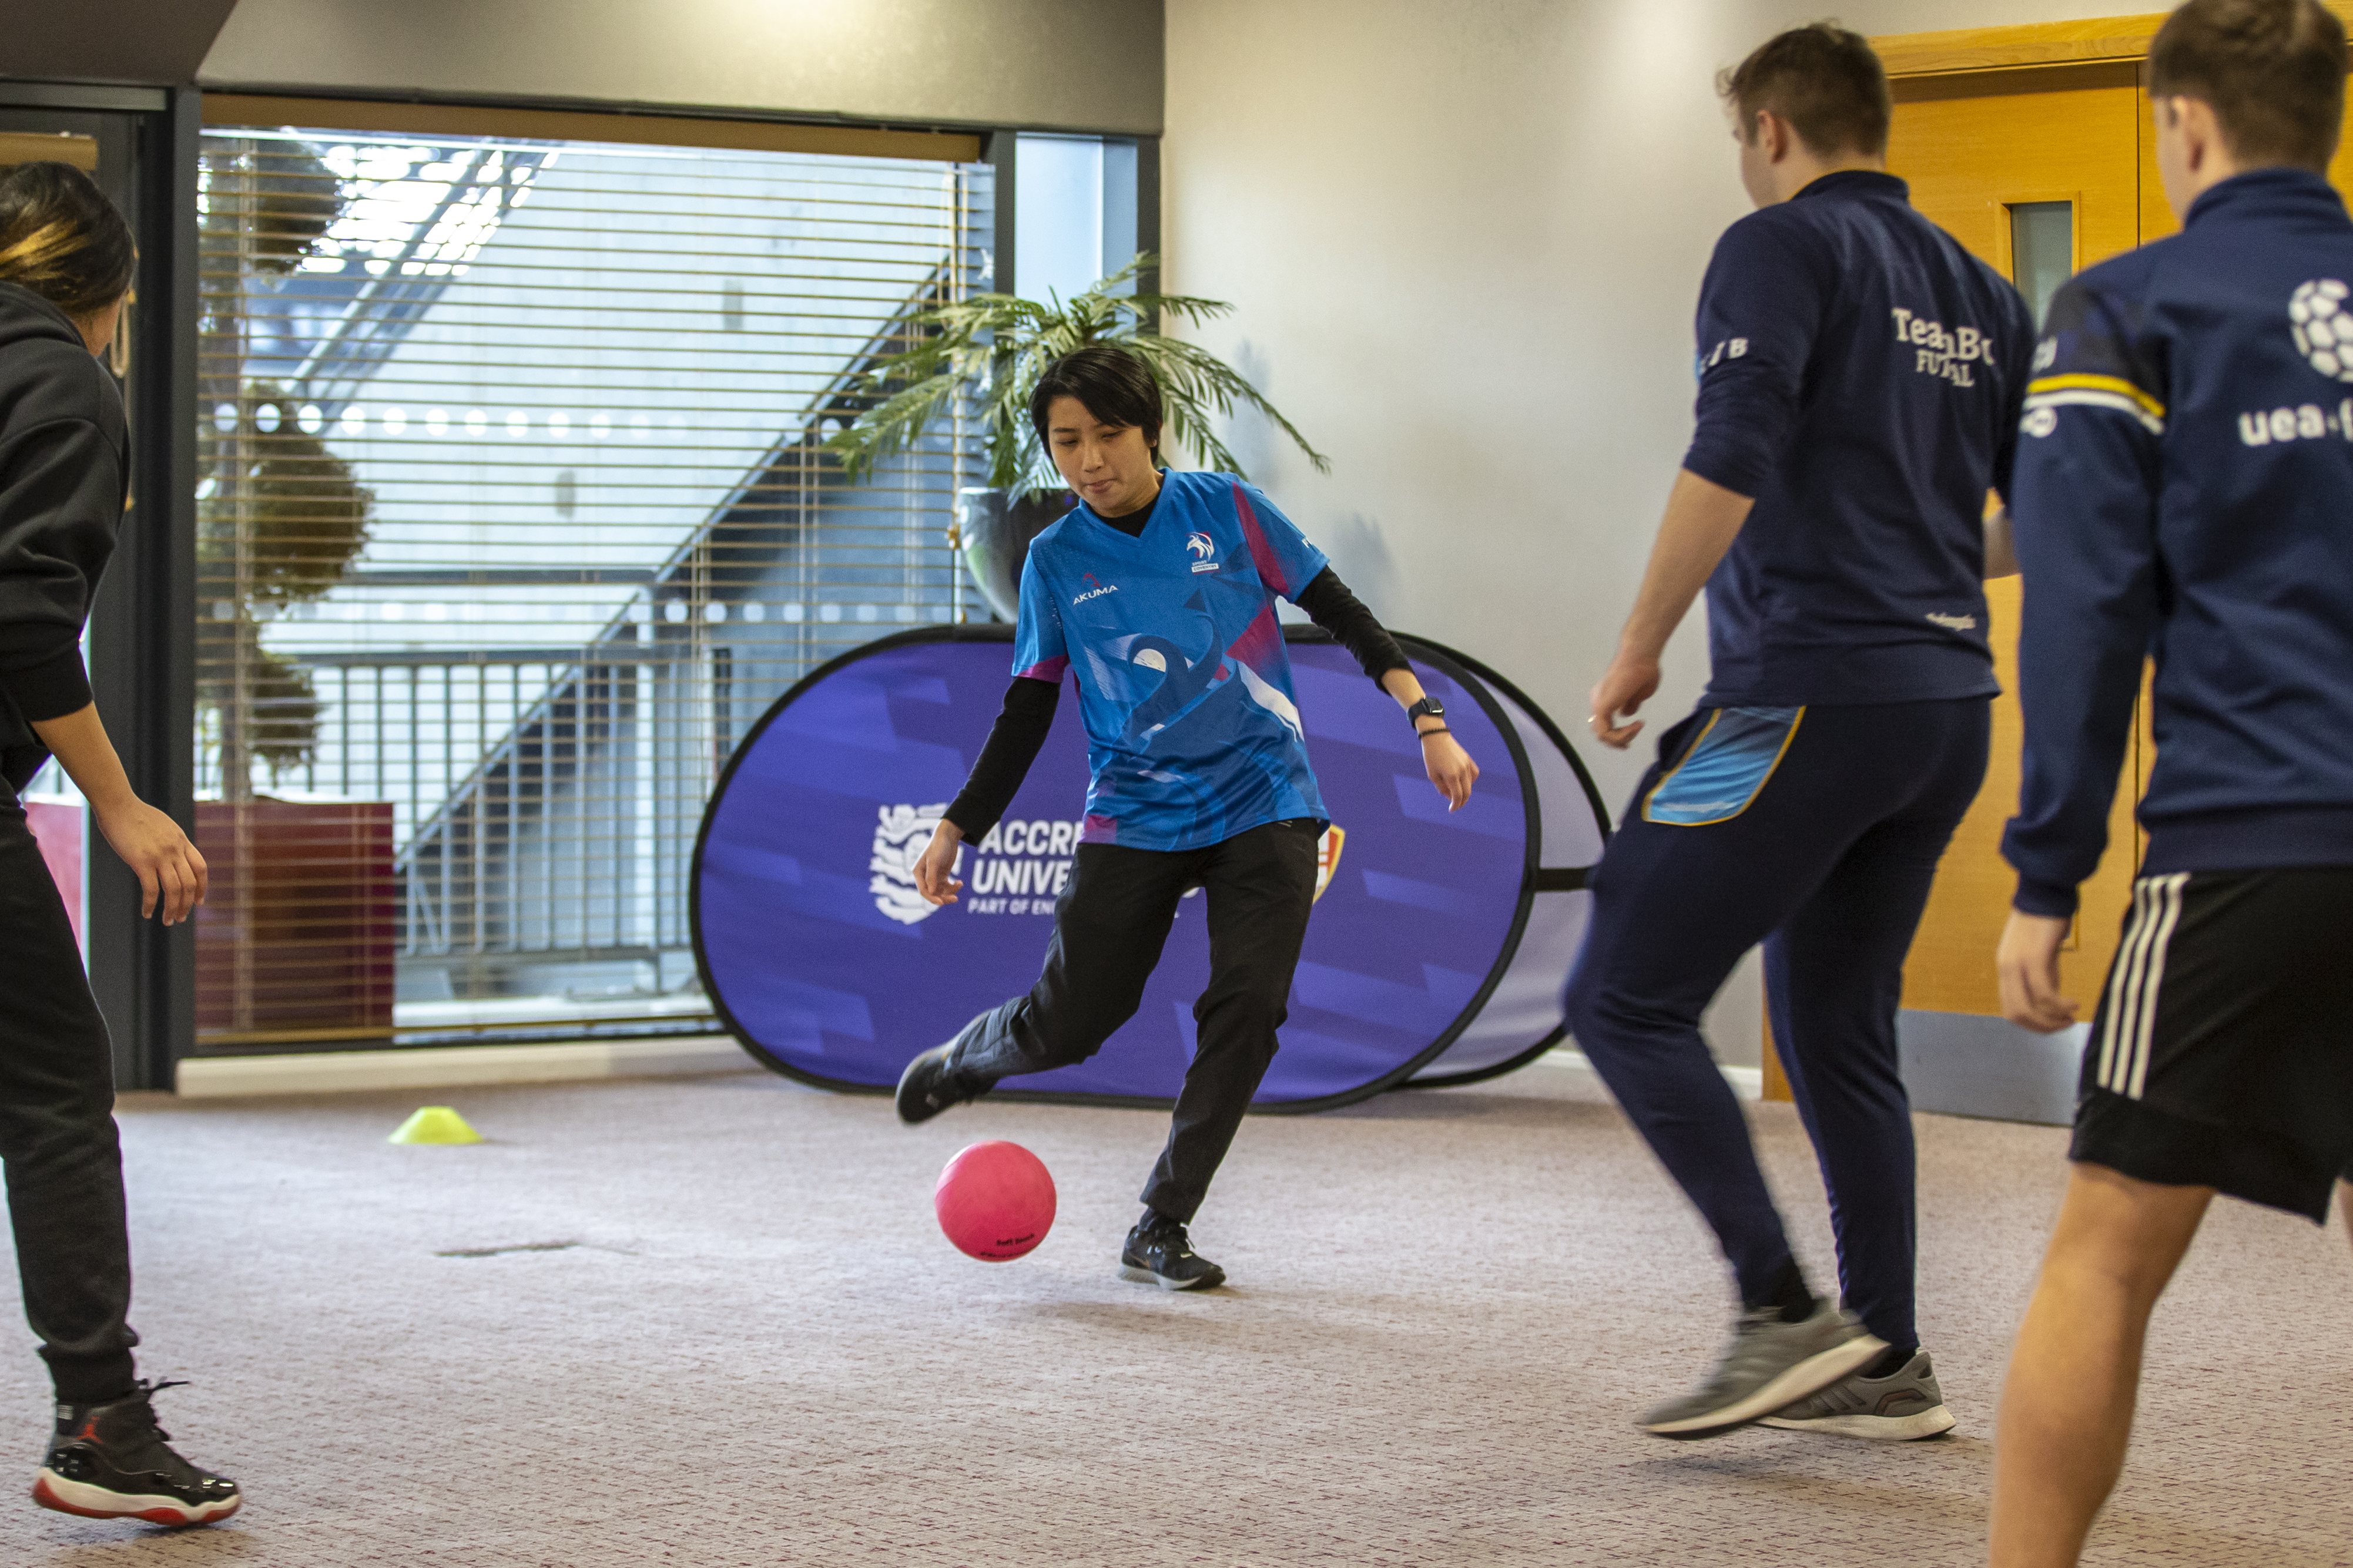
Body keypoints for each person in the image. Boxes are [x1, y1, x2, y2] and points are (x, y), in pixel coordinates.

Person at [1564, 25, 2035, 1439]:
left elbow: (1732, 444)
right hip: (1942, 710)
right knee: (1837, 1025)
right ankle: (1885, 1355)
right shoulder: (1988, 294)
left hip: (1796, 700)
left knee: (1621, 995)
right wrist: (1925, 575)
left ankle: (1777, 1312)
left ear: (1769, 127)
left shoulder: (1775, 247)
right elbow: (2035, 522)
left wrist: (1642, 642)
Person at [1990, 2, 2353, 1560]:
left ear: (2183, 127)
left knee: (2105, 1251)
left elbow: (2080, 608)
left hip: (2242, 841)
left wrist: (2044, 872)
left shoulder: (2126, 306)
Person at [893, 344, 1479, 1290]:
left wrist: (1427, 717)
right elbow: (1027, 710)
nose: (1090, 461)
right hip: (1136, 810)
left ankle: (1161, 1222)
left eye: (1109, 435)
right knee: (1073, 1023)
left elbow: (1343, 610)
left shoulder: (1230, 510)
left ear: (1151, 430)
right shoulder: (1052, 561)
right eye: (1066, 441)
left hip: (1266, 796)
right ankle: (974, 1056)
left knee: (1249, 1006)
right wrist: (960, 824)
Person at [0, 161, 240, 1526]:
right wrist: (121, 797)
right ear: (107, 296)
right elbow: (27, 618)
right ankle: (100, 1423)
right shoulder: (65, 384)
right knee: (54, 1093)